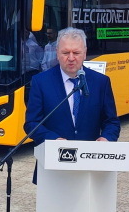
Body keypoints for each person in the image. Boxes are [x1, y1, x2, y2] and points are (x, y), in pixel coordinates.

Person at [24, 27, 120, 182]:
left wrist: (106, 138)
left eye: (76, 53)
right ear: (57, 52)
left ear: (85, 53)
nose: (70, 58)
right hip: (52, 167)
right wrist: (53, 140)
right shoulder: (41, 82)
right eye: (65, 53)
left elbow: (111, 122)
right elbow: (31, 123)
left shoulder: (101, 82)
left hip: (90, 166)